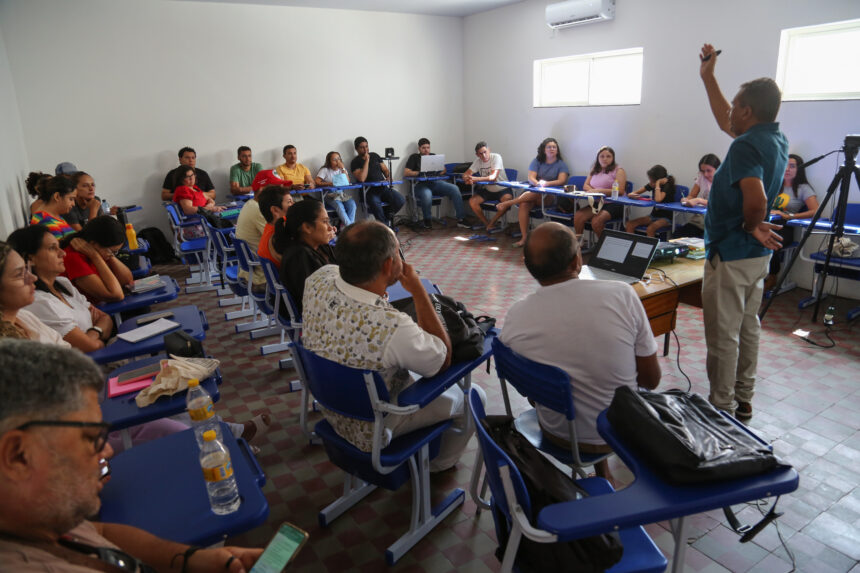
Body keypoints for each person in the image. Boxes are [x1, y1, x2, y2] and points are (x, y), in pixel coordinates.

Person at [0, 339, 264, 572]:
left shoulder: (38, 515)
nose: (108, 450)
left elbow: (100, 532)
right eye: (91, 438)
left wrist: (189, 559)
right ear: (18, 456)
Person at [302, 221, 481, 471]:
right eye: (398, 252)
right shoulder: (391, 326)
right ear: (388, 264)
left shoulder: (319, 278)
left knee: (407, 361)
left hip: (332, 407)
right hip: (372, 427)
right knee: (475, 396)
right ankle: (439, 465)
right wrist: (418, 290)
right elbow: (443, 359)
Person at [500, 222, 661, 484]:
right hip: (616, 434)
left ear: (528, 266)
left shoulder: (516, 315)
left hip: (553, 432)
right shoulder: (622, 294)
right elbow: (650, 381)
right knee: (602, 375)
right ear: (577, 260)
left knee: (571, 373)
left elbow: (524, 385)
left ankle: (602, 473)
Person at [698, 43, 788, 420]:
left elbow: (756, 199)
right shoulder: (773, 139)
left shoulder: (744, 147)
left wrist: (752, 225)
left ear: (748, 111)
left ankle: (720, 406)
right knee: (749, 327)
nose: (731, 112)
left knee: (723, 334)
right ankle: (743, 396)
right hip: (755, 259)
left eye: (736, 106)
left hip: (733, 253)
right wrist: (708, 77)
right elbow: (726, 121)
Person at [8, 226, 113, 352]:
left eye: (59, 246)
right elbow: (88, 347)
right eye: (52, 248)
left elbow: (105, 318)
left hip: (104, 352)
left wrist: (94, 333)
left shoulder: (63, 284)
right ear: (30, 259)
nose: (62, 253)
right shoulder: (39, 301)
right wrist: (99, 333)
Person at [497, 138, 570, 246]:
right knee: (524, 204)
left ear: (557, 150)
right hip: (534, 193)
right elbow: (531, 177)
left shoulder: (561, 164)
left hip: (550, 196)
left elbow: (562, 180)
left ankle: (509, 203)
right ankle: (524, 238)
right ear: (543, 150)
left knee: (536, 193)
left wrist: (545, 184)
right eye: (549, 147)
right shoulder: (537, 161)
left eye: (554, 147)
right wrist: (538, 184)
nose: (552, 149)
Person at [764, 153, 819, 292]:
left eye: (792, 166)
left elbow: (816, 211)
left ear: (799, 169)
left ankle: (772, 276)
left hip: (785, 228)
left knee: (769, 241)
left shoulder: (803, 188)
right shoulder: (775, 184)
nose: (787, 169)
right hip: (766, 223)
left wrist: (790, 216)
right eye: (784, 166)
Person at [272, 200, 336, 316]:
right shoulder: (299, 257)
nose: (330, 228)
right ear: (307, 227)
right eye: (325, 222)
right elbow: (319, 299)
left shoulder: (319, 246)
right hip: (318, 317)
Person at [60, 216, 134, 304]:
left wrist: (110, 255)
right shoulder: (73, 257)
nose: (112, 255)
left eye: (116, 252)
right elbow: (116, 295)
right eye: (112, 251)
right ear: (93, 244)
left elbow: (128, 282)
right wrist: (95, 256)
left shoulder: (100, 251)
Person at [403, 138, 468, 230]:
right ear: (419, 148)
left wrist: (438, 171)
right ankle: (427, 221)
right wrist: (420, 173)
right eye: (423, 148)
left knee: (454, 188)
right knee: (427, 194)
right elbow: (406, 172)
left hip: (435, 182)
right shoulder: (414, 157)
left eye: (428, 147)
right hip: (419, 185)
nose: (426, 150)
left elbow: (444, 169)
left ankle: (461, 219)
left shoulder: (433, 156)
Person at [573, 146, 627, 239]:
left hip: (614, 203)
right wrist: (591, 190)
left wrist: (599, 190)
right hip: (598, 202)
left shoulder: (619, 170)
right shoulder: (595, 169)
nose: (605, 159)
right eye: (602, 156)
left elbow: (620, 191)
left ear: (613, 158)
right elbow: (586, 185)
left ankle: (603, 247)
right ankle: (578, 244)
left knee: (596, 221)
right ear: (598, 158)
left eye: (608, 156)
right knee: (578, 216)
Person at [350, 136, 406, 226]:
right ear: (356, 149)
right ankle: (385, 227)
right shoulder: (355, 162)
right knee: (376, 205)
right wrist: (367, 161)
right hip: (369, 192)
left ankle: (385, 221)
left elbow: (385, 170)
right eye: (362, 147)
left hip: (383, 189)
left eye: (366, 146)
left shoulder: (375, 156)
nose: (365, 149)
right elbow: (361, 178)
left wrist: (388, 177)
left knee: (400, 200)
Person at [464, 141, 511, 232]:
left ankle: (492, 223)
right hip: (488, 190)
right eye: (480, 154)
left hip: (502, 189)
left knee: (507, 201)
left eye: (485, 152)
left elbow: (493, 178)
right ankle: (487, 224)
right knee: (472, 201)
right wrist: (467, 179)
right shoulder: (477, 161)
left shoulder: (496, 157)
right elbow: (466, 174)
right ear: (477, 155)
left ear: (489, 150)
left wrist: (475, 179)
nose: (484, 156)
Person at [625, 165, 677, 237]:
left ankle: (650, 248)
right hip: (653, 216)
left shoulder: (667, 185)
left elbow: (658, 199)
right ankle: (631, 246)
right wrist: (631, 195)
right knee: (630, 224)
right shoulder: (652, 184)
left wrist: (658, 184)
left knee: (650, 229)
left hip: (666, 218)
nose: (650, 183)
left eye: (652, 180)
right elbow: (634, 193)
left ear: (658, 179)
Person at [677, 153, 721, 238]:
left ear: (718, 169)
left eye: (709, 171)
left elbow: (720, 204)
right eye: (702, 171)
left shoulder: (725, 180)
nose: (705, 174)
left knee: (703, 240)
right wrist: (686, 199)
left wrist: (699, 200)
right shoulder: (701, 177)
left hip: (716, 222)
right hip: (700, 220)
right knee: (678, 235)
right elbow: (692, 195)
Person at [27, 173, 77, 239]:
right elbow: (60, 248)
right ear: (57, 196)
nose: (73, 204)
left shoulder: (56, 217)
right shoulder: (45, 221)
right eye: (71, 199)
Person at [315, 151, 357, 227]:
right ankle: (350, 228)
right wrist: (329, 184)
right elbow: (317, 182)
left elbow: (347, 181)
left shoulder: (342, 170)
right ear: (329, 161)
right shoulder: (325, 170)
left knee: (352, 204)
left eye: (339, 159)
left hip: (340, 194)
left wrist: (343, 168)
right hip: (329, 194)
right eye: (334, 159)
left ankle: (347, 226)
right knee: (339, 206)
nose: (337, 161)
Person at [257, 186, 294, 267]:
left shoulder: (271, 227)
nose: (293, 205)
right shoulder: (278, 237)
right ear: (275, 210)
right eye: (289, 202)